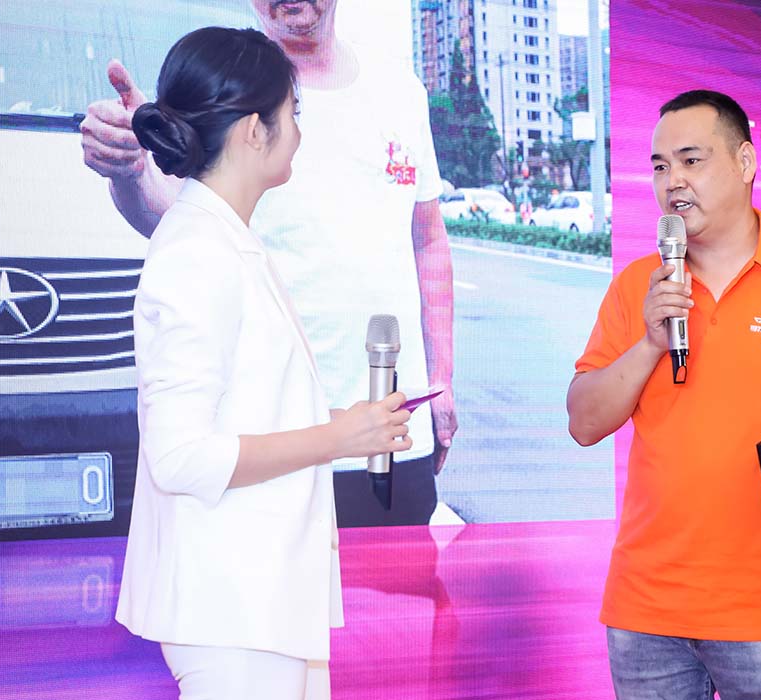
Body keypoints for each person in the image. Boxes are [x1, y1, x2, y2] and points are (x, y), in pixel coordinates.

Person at [114, 27, 414, 699]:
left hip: (261, 603)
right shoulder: (198, 252)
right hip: (230, 608)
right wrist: (337, 437)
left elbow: (247, 409)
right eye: (293, 113)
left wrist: (345, 422)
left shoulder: (226, 240)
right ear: (256, 131)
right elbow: (181, 456)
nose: (299, 133)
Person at [80, 0, 455, 526]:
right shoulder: (219, 84)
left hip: (390, 428)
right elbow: (169, 215)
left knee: (397, 580)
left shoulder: (399, 91)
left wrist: (442, 379)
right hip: (267, 442)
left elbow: (428, 241)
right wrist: (129, 168)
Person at [566, 89, 761, 699]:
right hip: (647, 615)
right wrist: (650, 342)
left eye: (692, 160)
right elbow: (583, 422)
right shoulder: (639, 285)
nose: (673, 182)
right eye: (660, 167)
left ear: (745, 162)